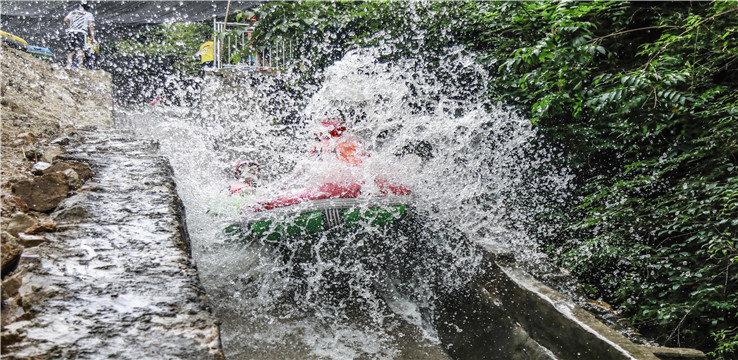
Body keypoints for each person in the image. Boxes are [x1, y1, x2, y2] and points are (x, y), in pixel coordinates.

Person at [64, 0, 95, 69]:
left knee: (71, 50)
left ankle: (68, 65)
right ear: (88, 8)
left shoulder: (72, 12)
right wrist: (92, 37)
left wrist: (69, 27)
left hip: (71, 32)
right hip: (81, 33)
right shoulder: (89, 14)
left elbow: (65, 20)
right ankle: (80, 66)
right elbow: (91, 25)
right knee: (81, 49)